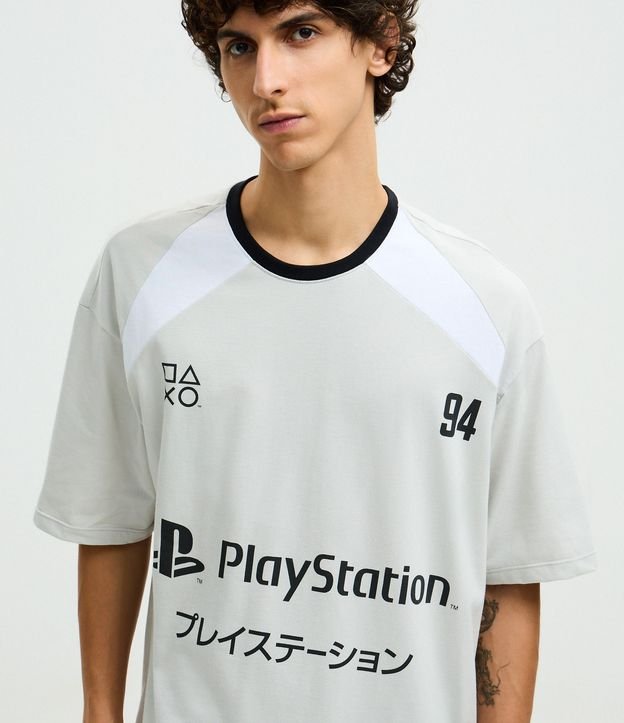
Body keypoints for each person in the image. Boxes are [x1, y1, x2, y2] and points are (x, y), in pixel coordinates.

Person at [33, 1, 598, 722]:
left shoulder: (485, 306)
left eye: (301, 33)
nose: (265, 79)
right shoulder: (142, 274)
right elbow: (111, 520)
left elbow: (508, 573)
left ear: (381, 43)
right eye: (239, 47)